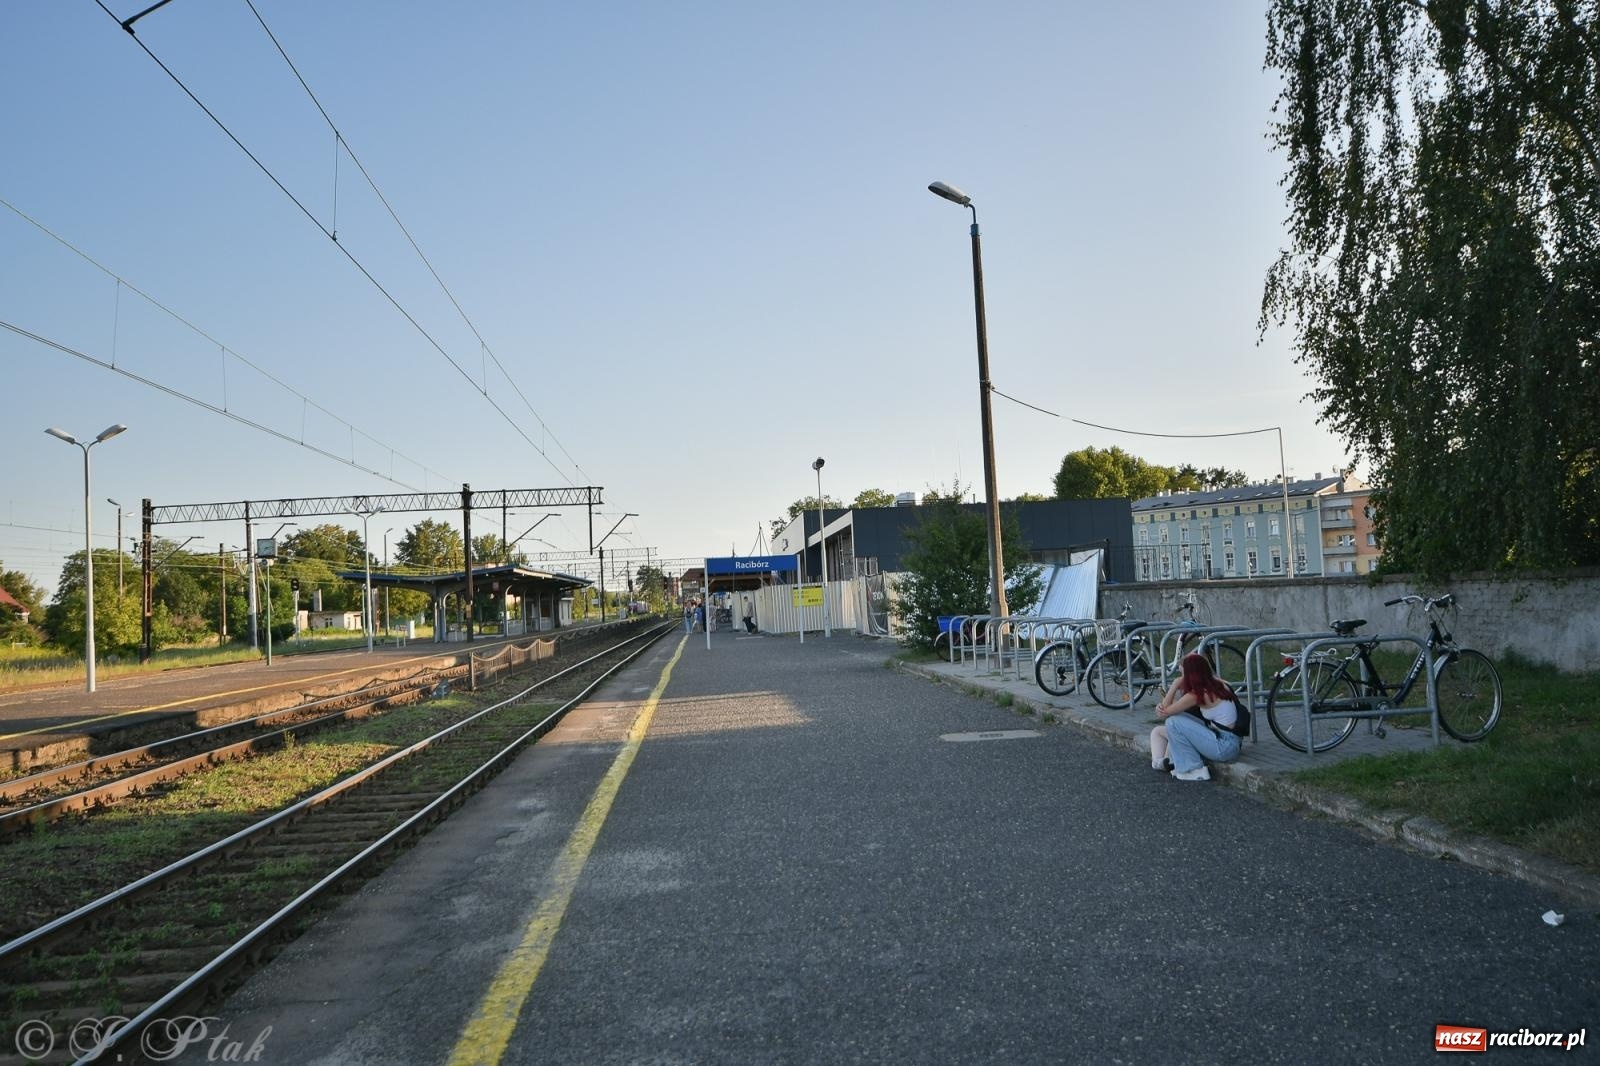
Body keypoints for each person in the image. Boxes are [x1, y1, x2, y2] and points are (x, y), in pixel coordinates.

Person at [1150, 652, 1241, 782]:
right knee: (1158, 731)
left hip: (1224, 746)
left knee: (1172, 722)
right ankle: (1161, 762)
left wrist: (1175, 685)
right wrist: (1162, 707)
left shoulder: (1198, 694)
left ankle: (1194, 769)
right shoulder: (1217, 684)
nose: (1181, 679)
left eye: (1182, 675)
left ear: (1191, 675)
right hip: (1229, 741)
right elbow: (1173, 709)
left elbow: (1164, 713)